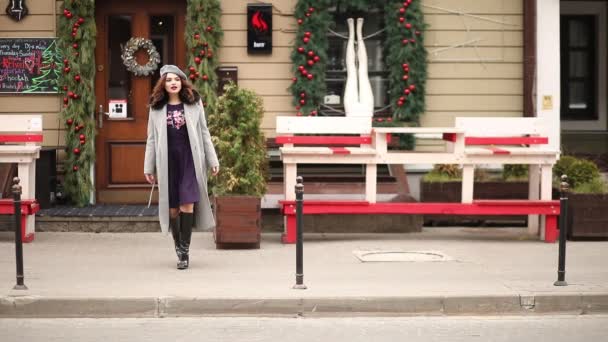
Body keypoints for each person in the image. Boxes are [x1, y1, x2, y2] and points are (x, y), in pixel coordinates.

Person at [144, 64, 219, 270]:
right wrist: (148, 167)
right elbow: (151, 138)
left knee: (188, 204)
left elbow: (204, 132)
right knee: (173, 209)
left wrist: (213, 160)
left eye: (176, 79)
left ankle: (184, 252)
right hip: (168, 161)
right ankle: (178, 246)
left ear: (182, 81)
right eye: (168, 80)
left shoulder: (194, 104)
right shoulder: (156, 107)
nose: (173, 83)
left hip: (189, 160)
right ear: (163, 85)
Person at [343, 18, 374, 117]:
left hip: (365, 111)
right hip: (352, 111)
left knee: (361, 73)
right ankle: (354, 33)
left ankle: (356, 33)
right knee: (354, 73)